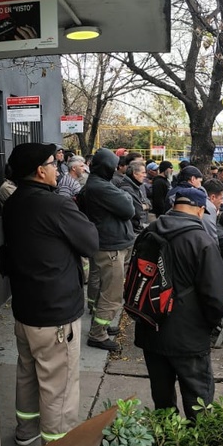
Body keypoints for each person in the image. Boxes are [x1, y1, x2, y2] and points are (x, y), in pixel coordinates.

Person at [1, 142, 99, 446]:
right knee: (60, 385)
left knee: (28, 372)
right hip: (56, 313)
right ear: (40, 171)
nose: (58, 168)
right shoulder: (56, 205)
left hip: (25, 309)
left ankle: (26, 429)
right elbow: (90, 243)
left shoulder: (13, 202)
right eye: (52, 164)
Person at [133, 187, 223, 419]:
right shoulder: (202, 240)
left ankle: (166, 437)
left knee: (162, 397)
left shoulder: (150, 231)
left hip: (150, 325)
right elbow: (215, 294)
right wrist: (212, 323)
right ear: (200, 210)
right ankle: (197, 439)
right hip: (189, 334)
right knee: (198, 398)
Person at [78, 148, 136, 352]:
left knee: (102, 286)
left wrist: (123, 195)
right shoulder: (101, 187)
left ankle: (99, 320)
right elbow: (129, 209)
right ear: (108, 168)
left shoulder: (94, 184)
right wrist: (126, 196)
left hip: (105, 244)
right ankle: (98, 334)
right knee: (112, 293)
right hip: (111, 248)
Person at [118, 161, 148, 234]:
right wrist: (142, 205)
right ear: (134, 173)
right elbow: (139, 212)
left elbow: (148, 203)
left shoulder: (136, 186)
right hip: (132, 230)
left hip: (136, 227)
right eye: (143, 173)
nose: (145, 175)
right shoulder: (127, 189)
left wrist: (144, 205)